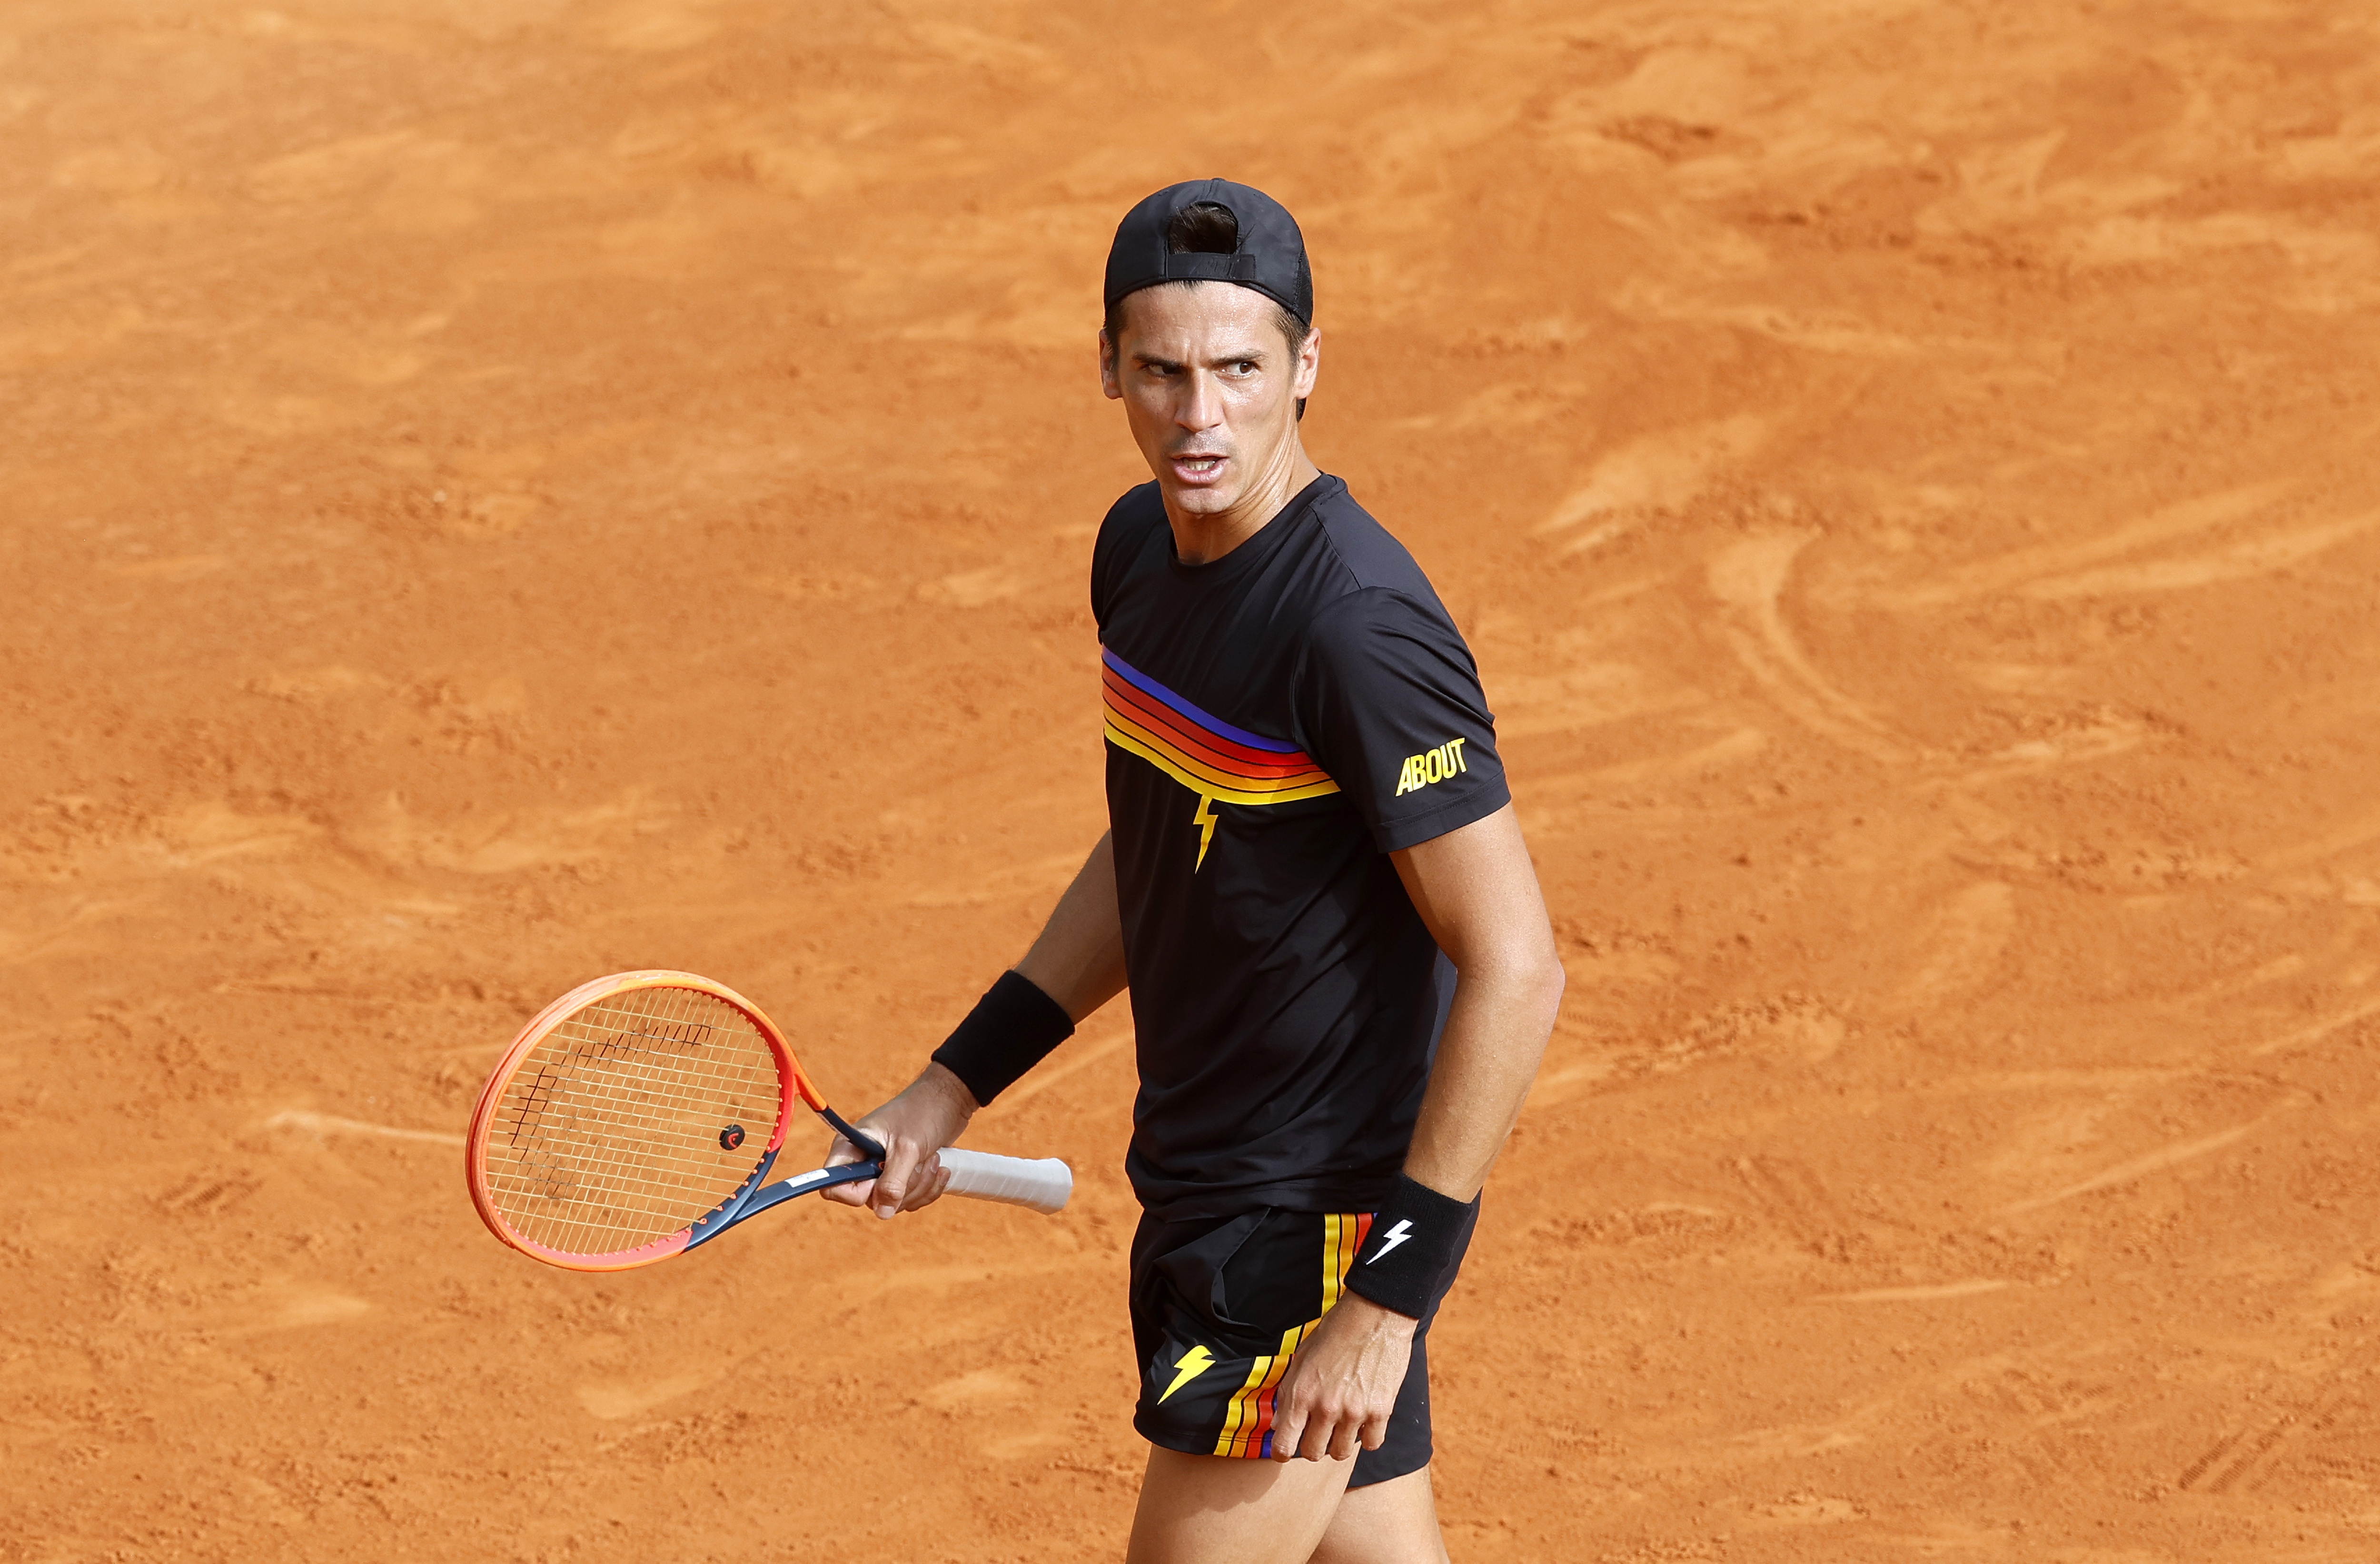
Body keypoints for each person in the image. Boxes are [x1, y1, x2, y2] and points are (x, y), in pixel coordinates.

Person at [822, 178, 1564, 1564]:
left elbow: (1517, 969)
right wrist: (951, 1079)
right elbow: (1161, 843)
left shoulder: (1355, 632)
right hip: (1203, 1182)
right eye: (1161, 372)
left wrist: (1386, 1302)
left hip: (1303, 1234)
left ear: (1308, 367)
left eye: (1239, 370)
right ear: (1107, 365)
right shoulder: (1137, 556)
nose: (1199, 415)